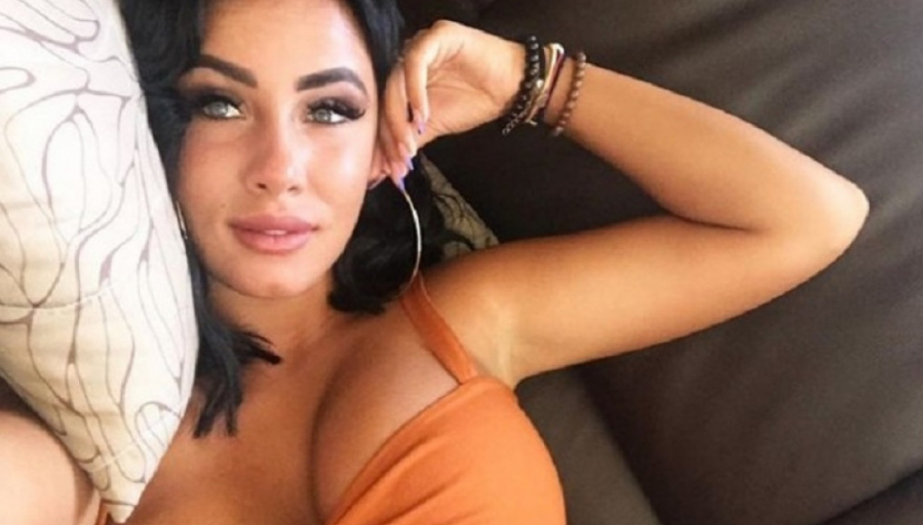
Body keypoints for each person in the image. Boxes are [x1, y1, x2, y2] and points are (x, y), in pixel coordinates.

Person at [1, 0, 869, 523]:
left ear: (384, 140)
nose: (280, 166)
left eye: (330, 110)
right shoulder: (76, 430)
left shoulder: (469, 316)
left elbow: (806, 218)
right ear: (155, 129)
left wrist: (527, 81)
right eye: (221, 104)